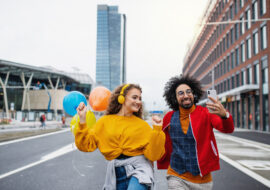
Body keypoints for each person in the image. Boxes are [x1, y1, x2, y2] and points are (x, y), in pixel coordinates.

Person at [74, 84, 166, 190]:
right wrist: (82, 119)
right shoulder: (104, 122)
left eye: (140, 98)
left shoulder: (143, 125)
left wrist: (157, 130)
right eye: (134, 97)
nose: (138, 101)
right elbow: (85, 146)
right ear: (122, 98)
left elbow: (154, 155)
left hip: (140, 169)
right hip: (115, 172)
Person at [157, 75, 234, 190]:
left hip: (203, 181)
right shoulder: (169, 117)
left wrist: (224, 115)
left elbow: (227, 129)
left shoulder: (206, 113)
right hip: (176, 175)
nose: (186, 95)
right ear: (175, 97)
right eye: (181, 93)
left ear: (193, 94)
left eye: (189, 92)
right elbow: (158, 138)